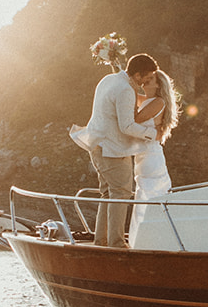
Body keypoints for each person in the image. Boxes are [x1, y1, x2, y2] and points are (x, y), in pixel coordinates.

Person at [70, 53, 158, 247]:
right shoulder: (125, 90)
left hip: (97, 145)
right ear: (137, 75)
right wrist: (152, 134)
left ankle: (101, 241)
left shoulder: (108, 79)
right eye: (147, 77)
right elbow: (126, 126)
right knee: (121, 193)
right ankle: (116, 243)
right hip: (112, 150)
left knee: (108, 194)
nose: (147, 81)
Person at [129, 69, 179, 241]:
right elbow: (130, 94)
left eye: (150, 79)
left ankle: (148, 239)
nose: (146, 80)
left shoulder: (158, 102)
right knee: (143, 194)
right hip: (143, 155)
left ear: (158, 85)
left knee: (147, 194)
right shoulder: (148, 100)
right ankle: (142, 239)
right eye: (146, 77)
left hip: (150, 157)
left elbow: (135, 119)